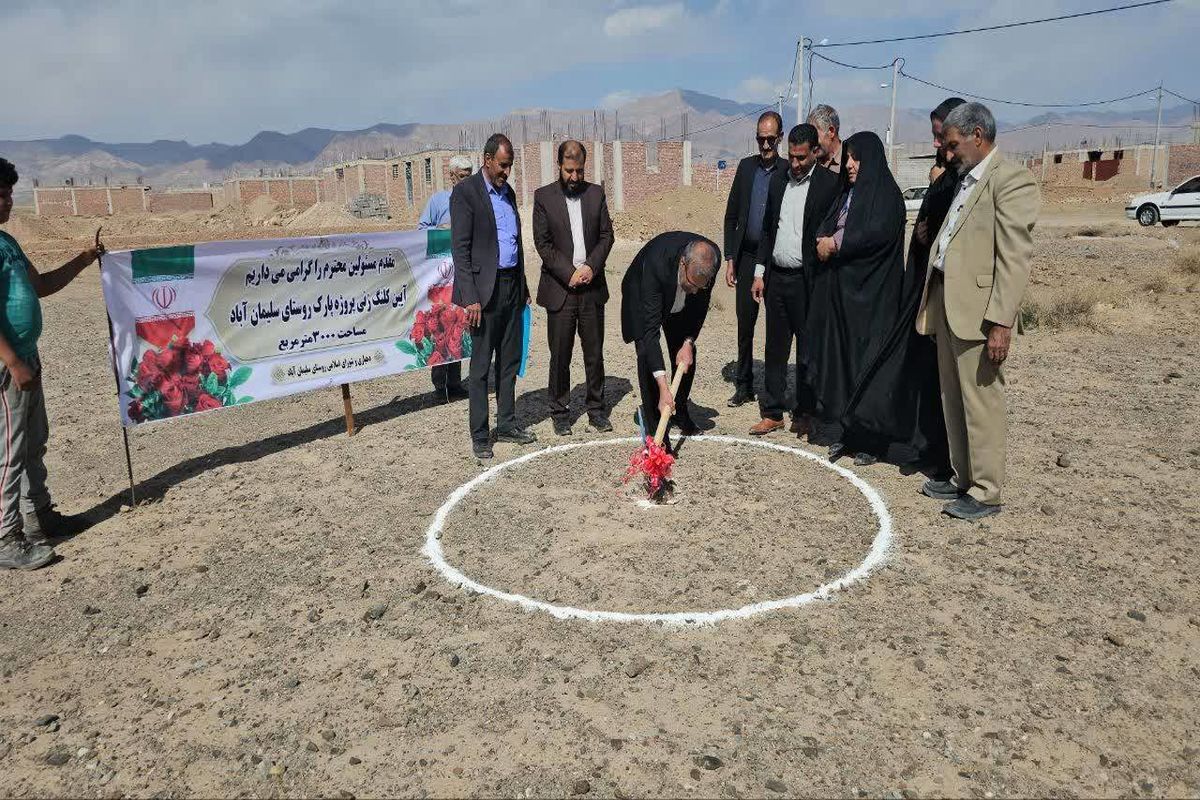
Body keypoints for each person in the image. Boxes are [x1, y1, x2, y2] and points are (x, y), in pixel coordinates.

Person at [915, 102, 1039, 520]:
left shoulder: (1010, 180)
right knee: (954, 396)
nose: (948, 153)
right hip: (949, 303)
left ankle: (986, 490)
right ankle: (963, 477)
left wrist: (1001, 321)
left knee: (982, 400)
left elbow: (1014, 257)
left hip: (980, 314)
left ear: (977, 136)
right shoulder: (967, 179)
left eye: (953, 145)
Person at [836, 98, 966, 477]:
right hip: (917, 288)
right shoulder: (942, 174)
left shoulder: (958, 178)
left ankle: (943, 458)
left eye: (941, 135)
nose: (938, 143)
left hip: (931, 294)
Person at [0, 157, 103, 570]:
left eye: (8, 193)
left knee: (34, 441)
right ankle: (7, 536)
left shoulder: (7, 243)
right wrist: (11, 360)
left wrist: (82, 260)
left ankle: (38, 516)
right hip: (10, 365)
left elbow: (40, 285)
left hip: (26, 356)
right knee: (10, 450)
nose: (7, 202)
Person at [806, 132, 906, 464]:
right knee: (846, 366)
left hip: (875, 303)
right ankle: (849, 434)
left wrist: (835, 244)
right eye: (847, 157)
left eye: (856, 158)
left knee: (870, 370)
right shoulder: (849, 194)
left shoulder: (887, 198)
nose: (849, 165)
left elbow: (873, 234)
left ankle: (872, 441)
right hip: (846, 302)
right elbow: (830, 223)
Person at [746, 123, 840, 437]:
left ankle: (804, 412)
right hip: (777, 280)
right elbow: (767, 231)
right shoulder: (777, 182)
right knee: (775, 348)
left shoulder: (829, 185)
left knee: (808, 350)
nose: (795, 164)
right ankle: (773, 411)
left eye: (801, 158)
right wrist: (760, 273)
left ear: (816, 152)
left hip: (808, 283)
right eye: (792, 157)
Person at [450, 134, 536, 461]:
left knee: (510, 360)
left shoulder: (508, 193)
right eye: (503, 165)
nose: (507, 171)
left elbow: (513, 243)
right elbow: (460, 249)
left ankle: (509, 422)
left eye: (510, 165)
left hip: (512, 287)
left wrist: (523, 286)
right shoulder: (465, 193)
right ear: (487, 159)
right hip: (483, 294)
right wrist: (470, 297)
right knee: (482, 366)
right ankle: (481, 434)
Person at [533, 140, 615, 436]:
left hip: (592, 287)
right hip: (562, 288)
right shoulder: (543, 197)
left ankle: (596, 409)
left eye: (579, 171)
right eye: (569, 171)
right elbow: (543, 244)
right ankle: (559, 411)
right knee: (560, 354)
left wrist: (591, 267)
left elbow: (607, 235)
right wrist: (569, 273)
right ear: (559, 166)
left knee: (594, 353)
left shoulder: (596, 194)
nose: (575, 177)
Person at [620, 232, 720, 447]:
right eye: (691, 283)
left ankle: (680, 411)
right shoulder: (657, 264)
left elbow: (700, 306)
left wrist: (688, 342)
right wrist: (663, 386)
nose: (694, 290)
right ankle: (658, 431)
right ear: (683, 263)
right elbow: (650, 333)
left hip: (679, 301)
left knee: (686, 356)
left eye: (699, 286)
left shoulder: (712, 259)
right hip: (644, 293)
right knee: (647, 355)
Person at [722, 110, 784, 408]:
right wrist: (730, 256)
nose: (766, 145)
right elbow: (731, 215)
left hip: (775, 262)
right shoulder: (746, 169)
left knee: (777, 328)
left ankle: (774, 390)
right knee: (745, 324)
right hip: (746, 257)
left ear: (780, 138)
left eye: (771, 139)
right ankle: (744, 385)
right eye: (761, 139)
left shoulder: (788, 171)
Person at [419, 154, 475, 402]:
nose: (466, 181)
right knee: (440, 327)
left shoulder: (475, 201)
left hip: (464, 275)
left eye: (469, 176)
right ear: (452, 176)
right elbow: (421, 230)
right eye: (462, 176)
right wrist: (440, 231)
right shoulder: (437, 201)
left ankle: (455, 382)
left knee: (459, 327)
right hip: (442, 278)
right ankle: (439, 384)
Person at [807, 104, 843, 174]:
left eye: (814, 135)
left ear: (831, 132)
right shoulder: (810, 164)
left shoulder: (850, 163)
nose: (811, 141)